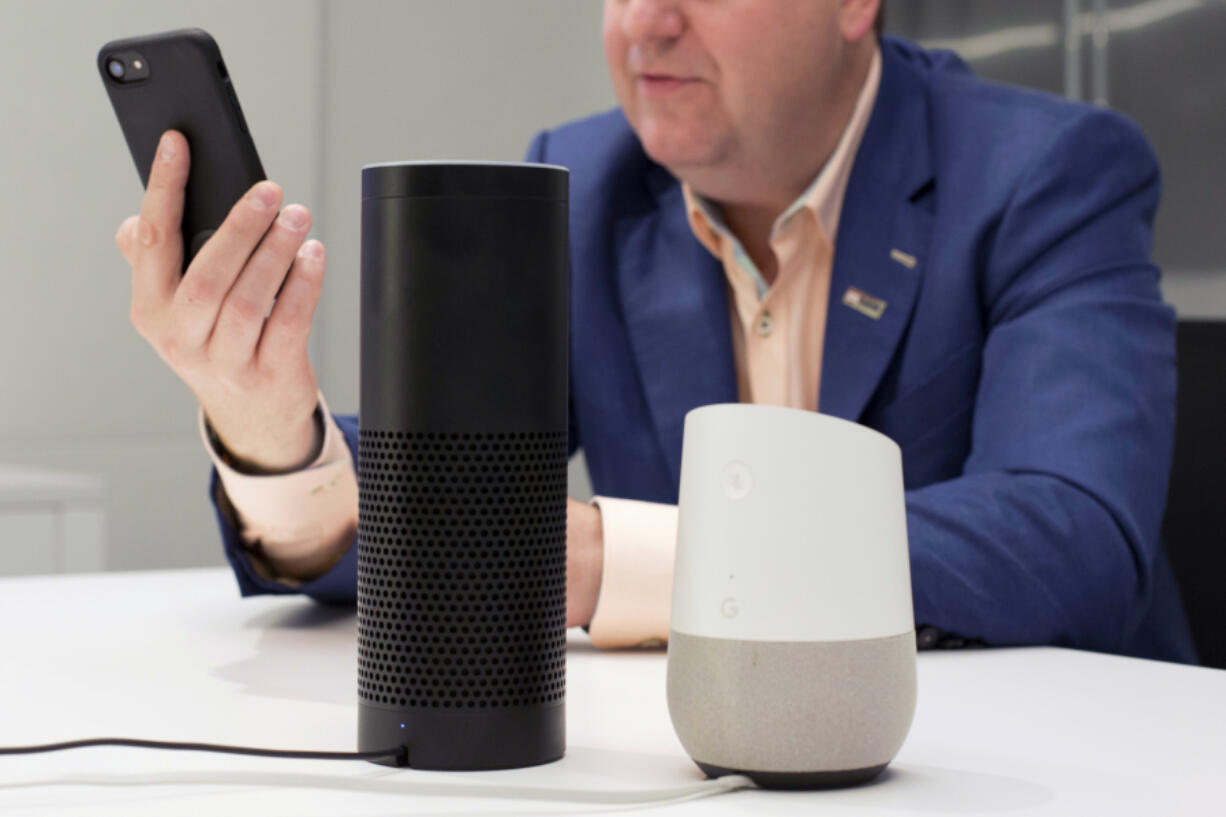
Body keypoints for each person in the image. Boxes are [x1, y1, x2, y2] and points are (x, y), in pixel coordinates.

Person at [113, 0, 1197, 663]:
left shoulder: (1045, 173)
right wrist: (271, 431)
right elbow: (454, 482)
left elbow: (1070, 533)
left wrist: (610, 559)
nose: (645, 22)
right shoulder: (587, 183)